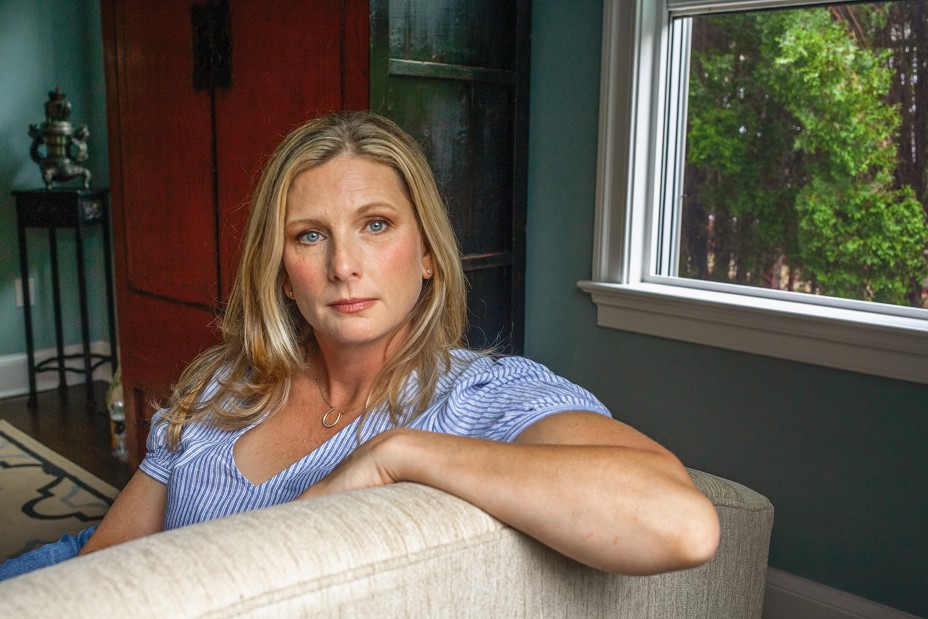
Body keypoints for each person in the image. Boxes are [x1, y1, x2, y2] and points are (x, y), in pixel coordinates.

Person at [0, 111, 719, 580]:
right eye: (310, 235)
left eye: (376, 224)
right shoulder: (226, 382)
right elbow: (102, 561)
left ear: (429, 254)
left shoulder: (477, 395)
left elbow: (680, 522)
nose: (344, 264)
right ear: (283, 273)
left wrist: (398, 453)